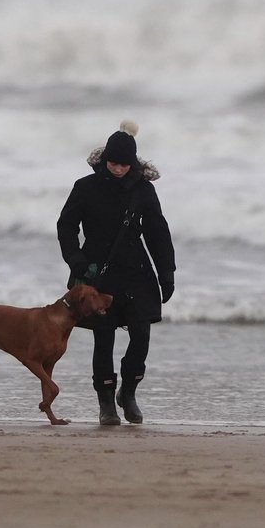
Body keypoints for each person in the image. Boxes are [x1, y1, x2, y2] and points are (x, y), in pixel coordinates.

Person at [56, 120, 176, 425]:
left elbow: (157, 233)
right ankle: (107, 403)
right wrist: (76, 260)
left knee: (141, 336)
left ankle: (129, 392)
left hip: (136, 273)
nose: (118, 169)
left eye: (124, 164)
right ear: (104, 159)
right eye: (113, 163)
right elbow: (66, 226)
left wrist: (167, 273)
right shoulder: (85, 187)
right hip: (98, 274)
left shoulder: (143, 191)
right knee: (104, 338)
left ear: (132, 163)